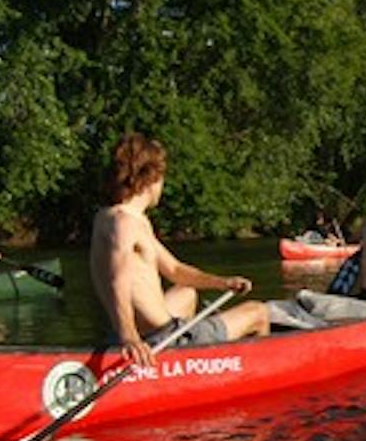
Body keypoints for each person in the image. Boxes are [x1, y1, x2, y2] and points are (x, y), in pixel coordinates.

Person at [90, 133, 269, 367]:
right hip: (158, 338)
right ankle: (249, 372)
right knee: (258, 313)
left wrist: (223, 283)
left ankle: (195, 359)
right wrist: (129, 338)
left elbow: (174, 269)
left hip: (141, 331)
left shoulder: (111, 217)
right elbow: (118, 281)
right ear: (151, 178)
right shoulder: (126, 224)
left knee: (186, 292)